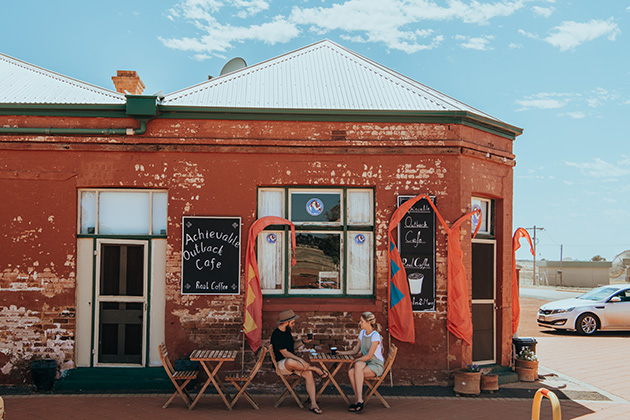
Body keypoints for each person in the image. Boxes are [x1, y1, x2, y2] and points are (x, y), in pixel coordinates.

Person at [270, 309, 328, 415]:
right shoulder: (276, 334)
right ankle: (315, 369)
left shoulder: (287, 332)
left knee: (308, 373)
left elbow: (292, 347)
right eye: (292, 322)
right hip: (281, 365)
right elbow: (285, 353)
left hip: (293, 364)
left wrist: (303, 342)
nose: (294, 323)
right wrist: (301, 360)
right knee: (290, 362)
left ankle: (314, 404)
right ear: (286, 322)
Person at [339, 311, 385, 413]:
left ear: (368, 322)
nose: (360, 323)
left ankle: (359, 401)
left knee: (356, 368)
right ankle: (358, 400)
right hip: (366, 362)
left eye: (361, 321)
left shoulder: (375, 335)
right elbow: (355, 351)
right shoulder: (362, 333)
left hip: (375, 365)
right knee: (352, 371)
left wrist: (354, 361)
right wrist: (340, 353)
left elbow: (369, 356)